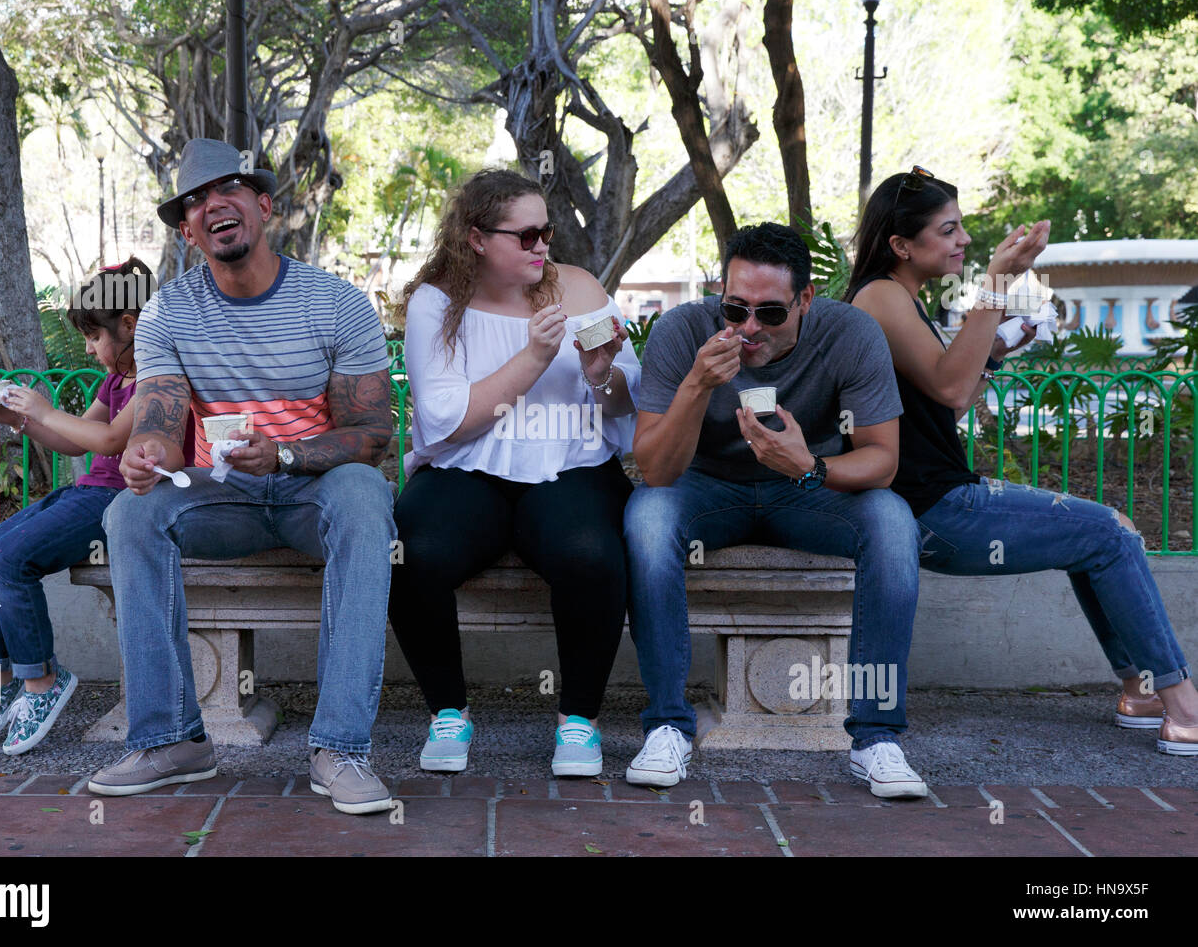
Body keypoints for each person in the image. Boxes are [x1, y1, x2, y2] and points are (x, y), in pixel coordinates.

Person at [87, 139, 399, 810]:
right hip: (221, 496)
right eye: (194, 201)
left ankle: (340, 748)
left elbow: (372, 434)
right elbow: (162, 428)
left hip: (310, 493)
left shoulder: (336, 304)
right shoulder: (170, 311)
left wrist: (285, 455)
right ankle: (173, 738)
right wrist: (144, 454)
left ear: (261, 206)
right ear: (186, 230)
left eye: (227, 188)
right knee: (128, 513)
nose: (211, 204)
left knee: (365, 494)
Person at [846, 166, 1198, 756]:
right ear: (901, 245)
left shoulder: (898, 299)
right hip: (930, 508)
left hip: (934, 495)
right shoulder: (881, 295)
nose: (962, 239)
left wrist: (1001, 340)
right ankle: (1183, 708)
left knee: (1111, 530)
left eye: (962, 227)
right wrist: (997, 283)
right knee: (1109, 533)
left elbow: (943, 401)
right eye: (948, 229)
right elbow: (953, 390)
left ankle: (1142, 691)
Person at [624, 221, 926, 798]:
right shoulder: (682, 330)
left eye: (770, 313)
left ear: (806, 300)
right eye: (735, 309)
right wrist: (695, 385)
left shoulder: (851, 333)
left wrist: (807, 465)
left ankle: (875, 737)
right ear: (720, 293)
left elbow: (883, 462)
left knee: (892, 522)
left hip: (808, 490)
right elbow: (656, 471)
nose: (748, 328)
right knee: (648, 519)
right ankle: (667, 725)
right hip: (706, 489)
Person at [389, 168, 639, 776]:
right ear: (477, 238)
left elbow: (628, 407)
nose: (542, 247)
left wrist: (603, 373)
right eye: (524, 236)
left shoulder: (579, 289)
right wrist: (533, 356)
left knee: (592, 554)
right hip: (467, 466)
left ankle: (578, 720)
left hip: (570, 462)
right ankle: (449, 710)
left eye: (545, 232)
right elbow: (448, 422)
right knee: (408, 553)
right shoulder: (436, 301)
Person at [0, 257, 164, 754]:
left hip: (116, 501)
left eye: (94, 337)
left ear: (130, 325)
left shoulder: (158, 380)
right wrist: (21, 419)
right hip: (84, 493)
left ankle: (43, 682)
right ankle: (4, 679)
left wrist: (47, 408)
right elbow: (77, 444)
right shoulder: (114, 381)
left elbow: (108, 440)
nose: (89, 348)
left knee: (10, 561)